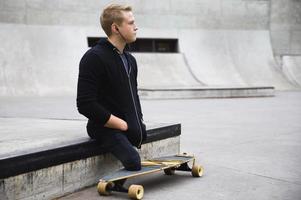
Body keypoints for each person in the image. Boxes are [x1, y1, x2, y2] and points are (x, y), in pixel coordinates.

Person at [76, 4, 146, 171]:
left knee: (139, 141)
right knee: (133, 160)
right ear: (115, 28)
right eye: (130, 23)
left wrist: (139, 122)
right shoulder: (94, 57)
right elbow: (85, 104)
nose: (136, 27)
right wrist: (122, 125)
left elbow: (133, 96)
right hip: (104, 127)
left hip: (127, 126)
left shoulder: (130, 60)